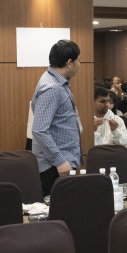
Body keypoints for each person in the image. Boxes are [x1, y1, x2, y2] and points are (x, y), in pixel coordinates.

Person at [31, 39, 83, 197]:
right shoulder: (52, 88)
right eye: (78, 60)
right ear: (69, 63)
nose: (80, 64)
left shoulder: (58, 82)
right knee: (58, 207)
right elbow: (39, 130)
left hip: (61, 160)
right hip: (54, 165)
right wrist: (59, 160)